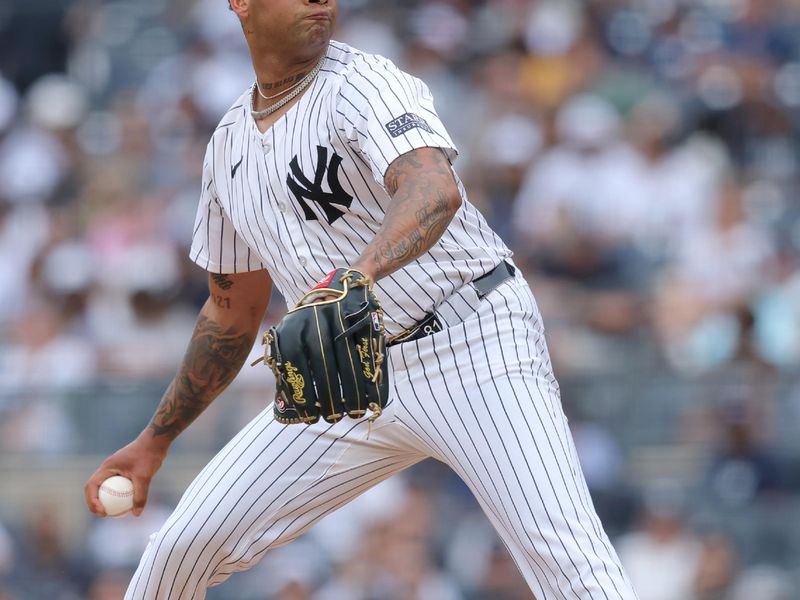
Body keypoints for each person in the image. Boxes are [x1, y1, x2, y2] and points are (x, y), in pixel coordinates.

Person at [84, 1, 640, 598]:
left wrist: (355, 277)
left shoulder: (361, 83)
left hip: (472, 343)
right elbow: (230, 310)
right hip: (349, 379)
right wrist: (156, 440)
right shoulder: (227, 148)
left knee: (573, 569)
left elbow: (433, 187)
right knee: (180, 549)